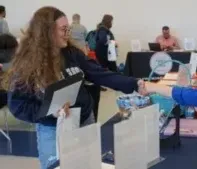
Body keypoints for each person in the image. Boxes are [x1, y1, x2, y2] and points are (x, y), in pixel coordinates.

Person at [1, 7, 144, 169]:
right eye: (63, 29)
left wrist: (135, 84)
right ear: (46, 31)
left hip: (84, 123)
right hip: (52, 130)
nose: (67, 33)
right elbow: (18, 105)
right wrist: (48, 110)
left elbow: (100, 74)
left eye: (68, 28)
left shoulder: (72, 53)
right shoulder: (27, 64)